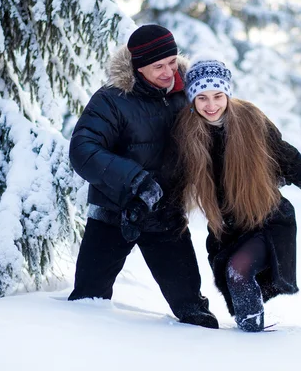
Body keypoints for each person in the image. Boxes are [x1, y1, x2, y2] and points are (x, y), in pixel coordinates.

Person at [174, 56, 301, 332]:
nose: (210, 106)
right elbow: (173, 181)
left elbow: (294, 166)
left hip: (267, 219)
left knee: (238, 271)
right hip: (227, 230)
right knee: (234, 280)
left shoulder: (251, 121)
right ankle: (252, 335)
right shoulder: (188, 133)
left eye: (217, 96)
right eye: (201, 98)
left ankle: (256, 347)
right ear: (192, 99)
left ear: (227, 94)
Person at [67, 25, 218, 329]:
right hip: (114, 214)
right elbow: (83, 150)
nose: (168, 72)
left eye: (172, 62)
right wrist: (137, 181)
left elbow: (220, 134)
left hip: (167, 218)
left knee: (195, 315)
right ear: (137, 66)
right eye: (158, 66)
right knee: (87, 303)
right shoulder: (111, 99)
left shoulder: (188, 94)